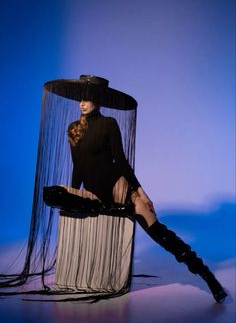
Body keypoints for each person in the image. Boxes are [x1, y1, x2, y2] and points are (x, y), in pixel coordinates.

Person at [63, 75, 227, 303]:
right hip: (93, 193)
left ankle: (208, 277)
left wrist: (141, 192)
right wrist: (74, 193)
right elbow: (78, 167)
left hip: (117, 187)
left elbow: (120, 161)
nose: (83, 102)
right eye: (81, 98)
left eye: (88, 98)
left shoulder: (109, 123)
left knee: (157, 232)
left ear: (98, 101)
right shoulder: (74, 129)